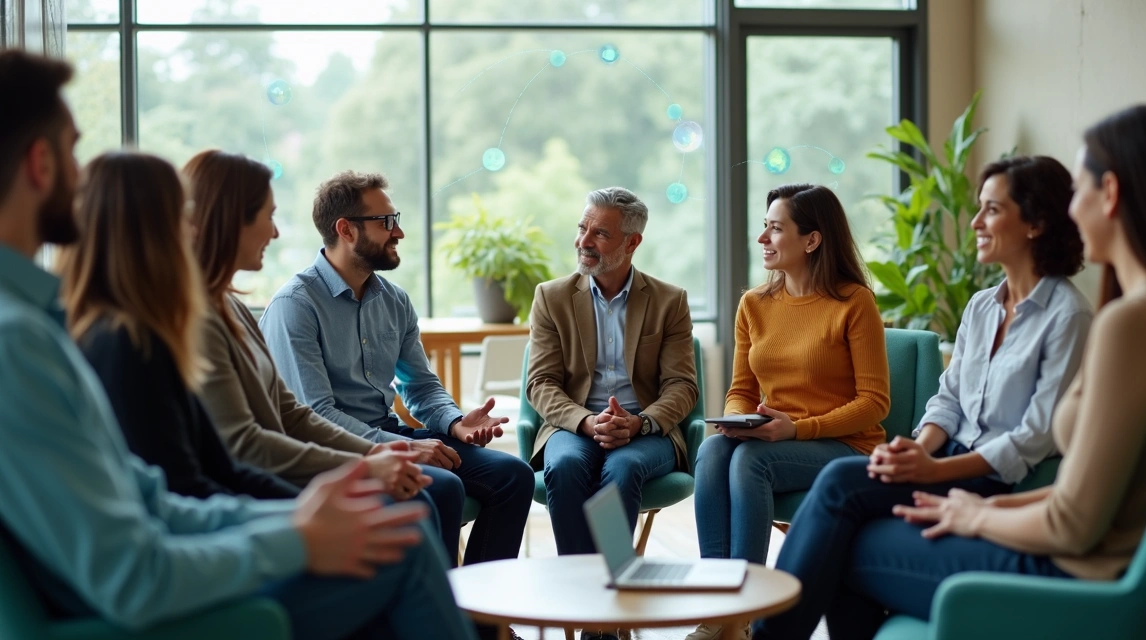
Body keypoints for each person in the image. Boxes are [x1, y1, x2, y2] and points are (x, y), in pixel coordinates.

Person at [0, 49, 475, 640]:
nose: (80, 177)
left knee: (406, 525)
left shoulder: (46, 328)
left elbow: (153, 497)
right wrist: (297, 534)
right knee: (402, 541)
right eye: (74, 151)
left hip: (181, 558)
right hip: (145, 610)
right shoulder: (30, 343)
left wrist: (299, 520)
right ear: (41, 162)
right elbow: (136, 570)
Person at [753, 106, 1146, 639]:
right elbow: (1092, 492)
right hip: (1088, 559)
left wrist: (975, 514)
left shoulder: (1129, 324)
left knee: (846, 535)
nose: (1073, 208)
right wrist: (957, 487)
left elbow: (1074, 519)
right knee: (846, 508)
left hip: (1075, 576)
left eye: (1080, 189)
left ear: (1109, 193)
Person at [182, 149, 467, 557]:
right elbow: (252, 442)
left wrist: (411, 439)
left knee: (499, 476)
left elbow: (291, 414)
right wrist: (374, 459)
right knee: (428, 495)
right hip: (260, 489)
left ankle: (464, 599)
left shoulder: (233, 308)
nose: (275, 233)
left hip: (354, 443)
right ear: (228, 220)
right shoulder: (247, 311)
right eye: (268, 216)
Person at [258, 170, 534, 572]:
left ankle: (480, 609)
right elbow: (316, 416)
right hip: (335, 451)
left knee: (515, 476)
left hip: (388, 432)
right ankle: (439, 607)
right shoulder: (295, 306)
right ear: (345, 230)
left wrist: (455, 422)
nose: (399, 232)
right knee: (442, 487)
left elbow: (420, 386)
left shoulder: (395, 300)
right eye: (386, 221)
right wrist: (401, 448)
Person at [685, 184, 890, 640]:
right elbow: (741, 390)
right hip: (771, 438)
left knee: (752, 462)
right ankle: (718, 606)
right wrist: (738, 421)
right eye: (765, 226)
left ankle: (749, 616)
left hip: (845, 446)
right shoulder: (754, 304)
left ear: (811, 240)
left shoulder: (854, 302)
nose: (762, 238)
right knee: (713, 451)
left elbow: (874, 403)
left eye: (775, 229)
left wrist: (797, 429)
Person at [59, 150, 298, 500]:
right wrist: (306, 517)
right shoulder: (128, 342)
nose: (194, 230)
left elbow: (221, 470)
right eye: (183, 215)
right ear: (149, 233)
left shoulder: (143, 331)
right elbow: (185, 491)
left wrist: (310, 509)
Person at [527, 187, 697, 624]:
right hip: (574, 426)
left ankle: (606, 617)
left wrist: (640, 423)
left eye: (600, 233)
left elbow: (682, 386)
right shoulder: (551, 297)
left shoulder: (670, 300)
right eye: (582, 228)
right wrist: (586, 422)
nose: (583, 240)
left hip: (645, 431)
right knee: (565, 467)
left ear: (632, 242)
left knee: (622, 468)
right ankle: (586, 604)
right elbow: (540, 383)